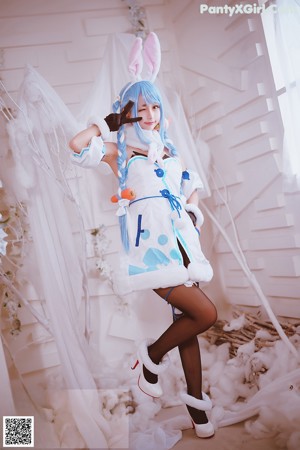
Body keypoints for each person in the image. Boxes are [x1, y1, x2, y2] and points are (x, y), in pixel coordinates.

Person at [69, 33, 217, 439]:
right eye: (141, 108)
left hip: (185, 249)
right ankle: (149, 357)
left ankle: (197, 409)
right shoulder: (120, 153)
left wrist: (191, 207)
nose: (150, 114)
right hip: (152, 254)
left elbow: (191, 183)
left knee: (189, 323)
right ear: (128, 112)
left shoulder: (168, 151)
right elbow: (76, 145)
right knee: (205, 315)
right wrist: (104, 124)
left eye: (155, 106)